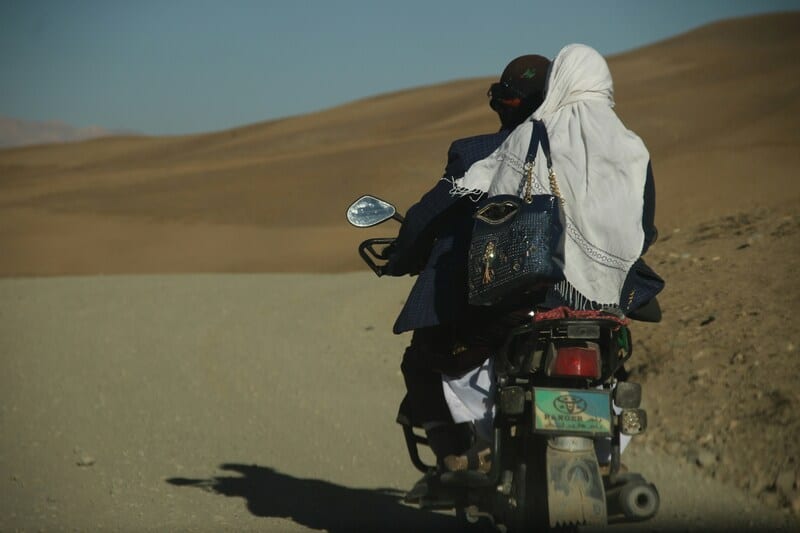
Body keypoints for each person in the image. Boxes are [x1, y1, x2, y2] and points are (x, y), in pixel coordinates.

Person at [383, 54, 553, 474]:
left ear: (501, 104)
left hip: (493, 307)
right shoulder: (591, 153)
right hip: (578, 302)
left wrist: (401, 255)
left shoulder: (477, 153)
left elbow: (427, 215)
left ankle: (456, 455)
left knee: (422, 358)